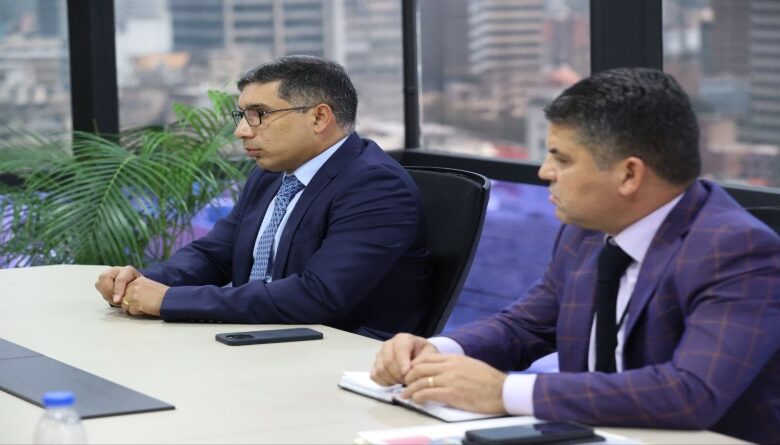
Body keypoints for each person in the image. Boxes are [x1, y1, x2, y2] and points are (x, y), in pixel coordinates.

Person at [370, 68, 780, 443]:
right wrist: (438, 351)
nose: (544, 172)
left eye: (561, 159)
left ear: (629, 174)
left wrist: (503, 392)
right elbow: (524, 327)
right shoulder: (586, 231)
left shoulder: (738, 251)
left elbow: (689, 392)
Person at [95, 55, 432, 340]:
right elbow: (214, 256)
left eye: (260, 115)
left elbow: (318, 296)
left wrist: (169, 300)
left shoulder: (375, 186)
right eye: (242, 115)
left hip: (340, 353)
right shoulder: (270, 174)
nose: (242, 130)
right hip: (264, 338)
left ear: (319, 117)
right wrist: (142, 282)